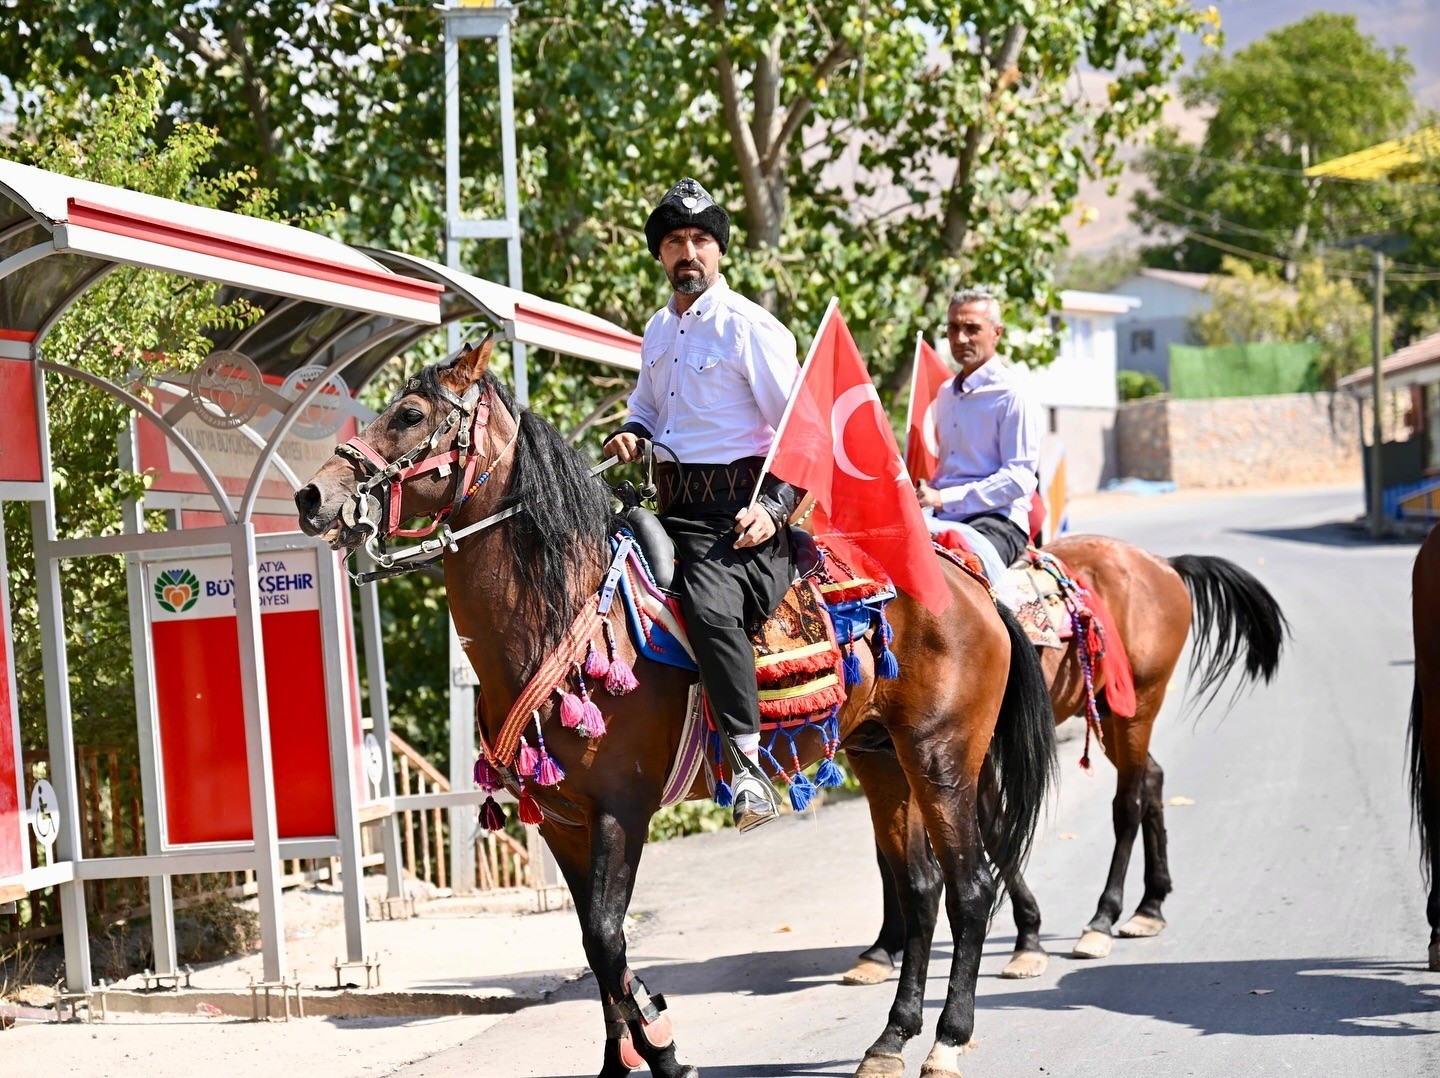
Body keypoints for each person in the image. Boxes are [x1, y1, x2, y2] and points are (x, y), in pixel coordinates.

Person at [602, 178, 801, 833]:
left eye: (700, 240)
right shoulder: (659, 330)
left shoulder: (750, 326)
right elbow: (650, 408)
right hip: (669, 507)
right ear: (660, 255)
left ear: (719, 252)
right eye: (674, 242)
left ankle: (749, 771)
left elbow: (803, 430)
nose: (688, 252)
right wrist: (632, 430)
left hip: (739, 519)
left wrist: (773, 507)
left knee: (711, 608)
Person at [916, 287, 1042, 578]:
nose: (960, 338)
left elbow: (1018, 479)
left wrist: (943, 499)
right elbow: (952, 469)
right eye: (953, 328)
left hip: (998, 521)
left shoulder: (1013, 394)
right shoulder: (947, 393)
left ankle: (1010, 627)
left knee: (958, 581)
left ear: (997, 332)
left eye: (972, 329)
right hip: (943, 516)